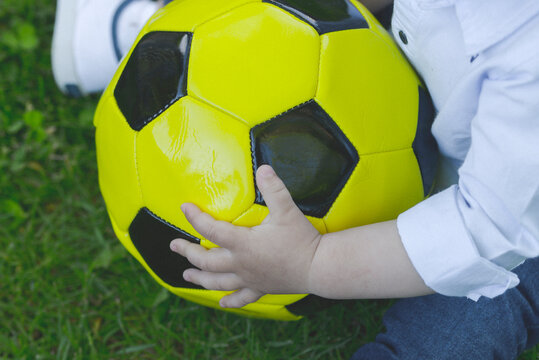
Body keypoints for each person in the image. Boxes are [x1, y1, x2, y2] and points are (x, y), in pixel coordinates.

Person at [53, 0, 539, 358]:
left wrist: (313, 263)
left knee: (461, 330)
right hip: (421, 68)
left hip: (519, 226)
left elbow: (489, 229)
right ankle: (168, 38)